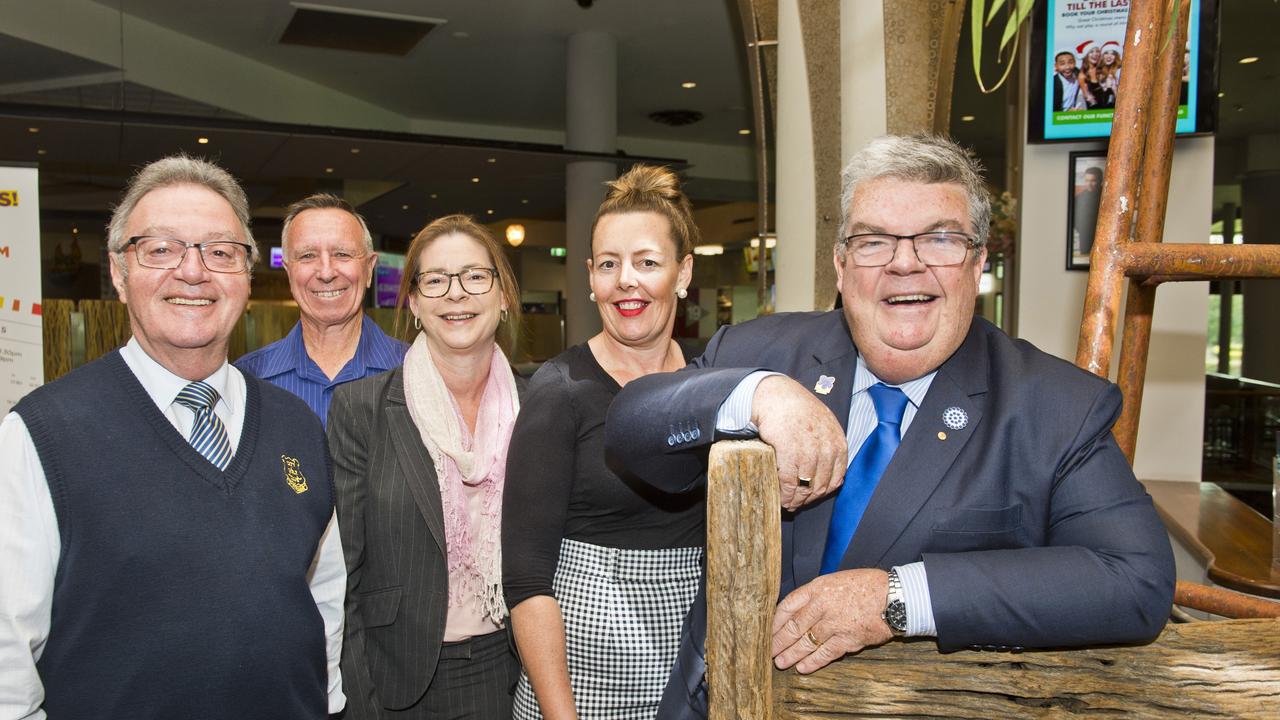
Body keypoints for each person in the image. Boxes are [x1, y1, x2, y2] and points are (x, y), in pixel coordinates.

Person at [606, 135, 1176, 718]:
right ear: (841, 263)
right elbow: (630, 425)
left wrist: (899, 596)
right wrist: (758, 393)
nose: (906, 263)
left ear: (978, 263)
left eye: (940, 239)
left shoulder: (1055, 406)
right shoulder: (762, 349)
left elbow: (1134, 581)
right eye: (874, 240)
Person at [0, 155, 346, 719]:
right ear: (118, 271)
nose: (193, 271)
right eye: (160, 248)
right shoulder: (41, 436)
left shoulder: (297, 425)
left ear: (247, 275)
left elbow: (324, 596)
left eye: (220, 251)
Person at [503, 165, 703, 719]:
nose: (626, 281)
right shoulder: (559, 392)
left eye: (647, 262)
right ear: (590, 278)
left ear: (682, 272)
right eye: (609, 265)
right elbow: (526, 579)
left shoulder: (716, 379)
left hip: (698, 667)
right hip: (585, 682)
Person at [327, 214, 524, 719]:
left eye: (475, 276)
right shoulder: (360, 409)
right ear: (414, 301)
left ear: (503, 295)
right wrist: (361, 705)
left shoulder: (541, 404)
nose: (456, 294)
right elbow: (342, 576)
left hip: (518, 671)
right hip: (401, 681)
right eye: (435, 280)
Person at [236, 193, 407, 425]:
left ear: (369, 269)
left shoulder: (416, 373)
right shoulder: (246, 381)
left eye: (342, 254)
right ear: (289, 272)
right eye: (308, 256)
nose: (326, 273)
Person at [1074, 166, 1104, 257]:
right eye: (1087, 180)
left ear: (1100, 181)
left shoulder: (1106, 198)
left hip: (1103, 239)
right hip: (1085, 238)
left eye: (1093, 181)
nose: (1089, 184)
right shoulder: (1079, 198)